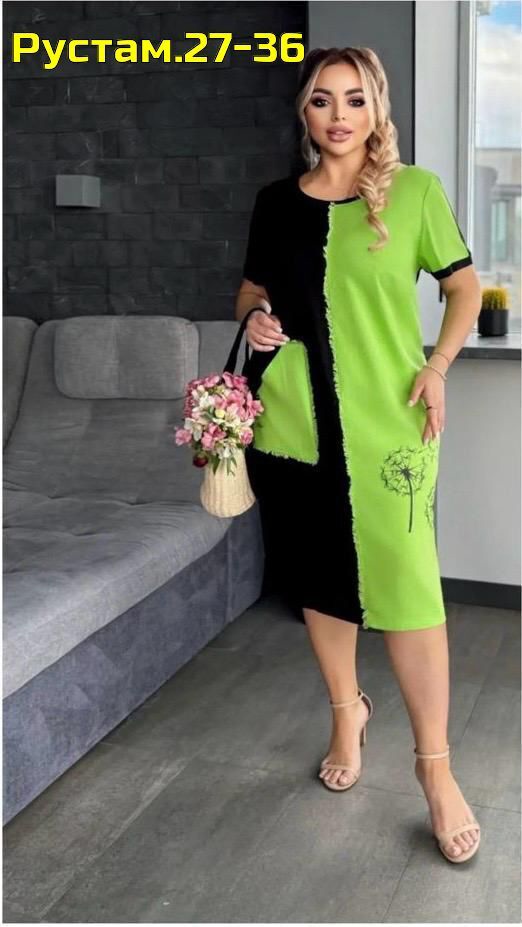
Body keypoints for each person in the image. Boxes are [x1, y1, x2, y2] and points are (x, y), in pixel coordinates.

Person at [234, 46, 483, 864]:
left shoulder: (414, 193)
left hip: (389, 423)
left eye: (353, 98)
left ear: (377, 108)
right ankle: (347, 711)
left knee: (410, 591)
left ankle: (435, 767)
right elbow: (250, 291)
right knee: (320, 579)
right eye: (321, 100)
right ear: (303, 113)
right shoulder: (276, 203)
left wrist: (437, 366)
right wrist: (255, 318)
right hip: (292, 420)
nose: (337, 115)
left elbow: (464, 287)